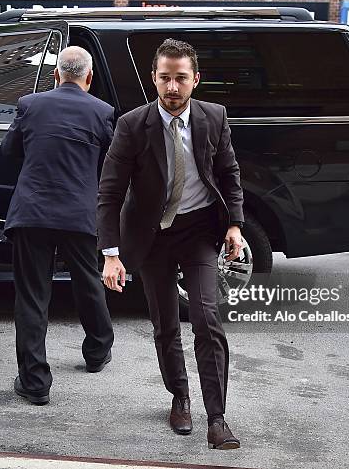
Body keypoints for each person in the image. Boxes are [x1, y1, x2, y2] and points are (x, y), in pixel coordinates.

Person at [98, 39, 243, 449]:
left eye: (181, 78)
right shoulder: (131, 125)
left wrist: (234, 224)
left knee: (207, 319)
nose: (173, 87)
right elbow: (109, 194)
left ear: (195, 79)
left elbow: (229, 173)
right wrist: (111, 254)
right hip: (151, 235)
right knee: (165, 324)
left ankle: (217, 418)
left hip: (198, 231)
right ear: (154, 79)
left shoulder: (214, 118)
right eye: (165, 78)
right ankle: (179, 396)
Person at [2, 46, 115, 406]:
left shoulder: (30, 104)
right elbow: (112, 165)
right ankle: (97, 352)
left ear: (55, 74)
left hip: (32, 212)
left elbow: (9, 151)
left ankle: (35, 382)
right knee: (87, 283)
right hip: (79, 215)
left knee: (33, 296)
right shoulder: (102, 112)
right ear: (89, 77)